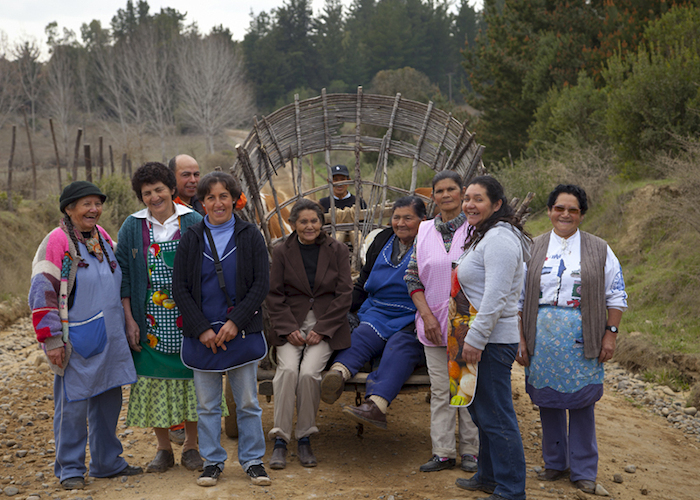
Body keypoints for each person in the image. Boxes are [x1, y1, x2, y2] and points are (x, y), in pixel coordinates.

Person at [29, 181, 142, 490]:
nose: (94, 209)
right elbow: (42, 294)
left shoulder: (102, 237)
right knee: (72, 408)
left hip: (110, 338)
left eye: (97, 203)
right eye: (86, 204)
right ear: (69, 208)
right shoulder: (56, 241)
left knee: (108, 402)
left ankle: (107, 462)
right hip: (75, 341)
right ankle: (70, 469)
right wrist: (51, 340)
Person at [516, 184, 627, 495]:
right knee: (549, 400)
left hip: (582, 336)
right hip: (543, 336)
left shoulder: (599, 249)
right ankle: (554, 463)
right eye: (559, 208)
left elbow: (616, 295)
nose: (565, 214)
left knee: (581, 402)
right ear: (550, 211)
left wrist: (610, 334)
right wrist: (521, 340)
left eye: (572, 210)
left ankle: (583, 470)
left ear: (581, 215)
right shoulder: (533, 247)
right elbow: (520, 299)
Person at [172, 171, 271, 486]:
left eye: (224, 196)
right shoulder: (190, 238)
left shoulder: (250, 235)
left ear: (234, 199)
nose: (218, 203)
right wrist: (201, 328)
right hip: (203, 336)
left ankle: (253, 460)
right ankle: (212, 462)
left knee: (247, 403)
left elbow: (260, 284)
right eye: (210, 197)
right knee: (207, 406)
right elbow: (180, 288)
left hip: (239, 332)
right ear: (201, 203)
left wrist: (234, 322)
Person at [116, 162, 204, 474]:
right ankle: (164, 449)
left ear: (171, 189)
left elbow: (206, 272)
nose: (154, 197)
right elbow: (124, 277)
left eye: (159, 190)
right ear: (141, 197)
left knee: (192, 382)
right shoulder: (131, 226)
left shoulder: (193, 220)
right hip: (148, 320)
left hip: (189, 319)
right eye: (147, 193)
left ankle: (192, 446)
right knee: (153, 384)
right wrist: (129, 319)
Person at [320, 196, 427, 429]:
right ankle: (337, 375)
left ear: (423, 220)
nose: (400, 223)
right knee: (363, 334)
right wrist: (340, 308)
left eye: (408, 218)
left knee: (401, 346)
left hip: (414, 313)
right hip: (378, 309)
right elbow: (363, 282)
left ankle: (376, 405)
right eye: (396, 217)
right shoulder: (382, 239)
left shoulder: (430, 243)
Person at [454, 175, 530, 500]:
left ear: (496, 204)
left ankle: (512, 488)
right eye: (467, 197)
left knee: (496, 413)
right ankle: (487, 475)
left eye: (478, 198)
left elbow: (497, 297)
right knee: (480, 410)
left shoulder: (500, 239)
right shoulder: (485, 234)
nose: (470, 204)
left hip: (491, 341)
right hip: (478, 337)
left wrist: (476, 339)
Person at [266, 199, 353, 469]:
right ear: (293, 225)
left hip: (326, 323)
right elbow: (274, 294)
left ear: (322, 222)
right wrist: (288, 327)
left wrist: (323, 329)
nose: (309, 226)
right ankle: (280, 440)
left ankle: (304, 438)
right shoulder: (281, 251)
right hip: (290, 322)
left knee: (308, 373)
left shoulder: (337, 249)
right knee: (288, 371)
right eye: (303, 221)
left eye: (314, 221)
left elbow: (344, 294)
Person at [404, 171, 480, 473]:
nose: (446, 195)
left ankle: (471, 452)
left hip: (468, 321)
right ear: (432, 196)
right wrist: (426, 315)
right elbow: (412, 277)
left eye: (451, 189)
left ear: (462, 193)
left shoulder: (477, 229)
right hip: (432, 322)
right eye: (439, 191)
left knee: (467, 386)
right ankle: (444, 452)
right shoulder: (423, 231)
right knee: (440, 390)